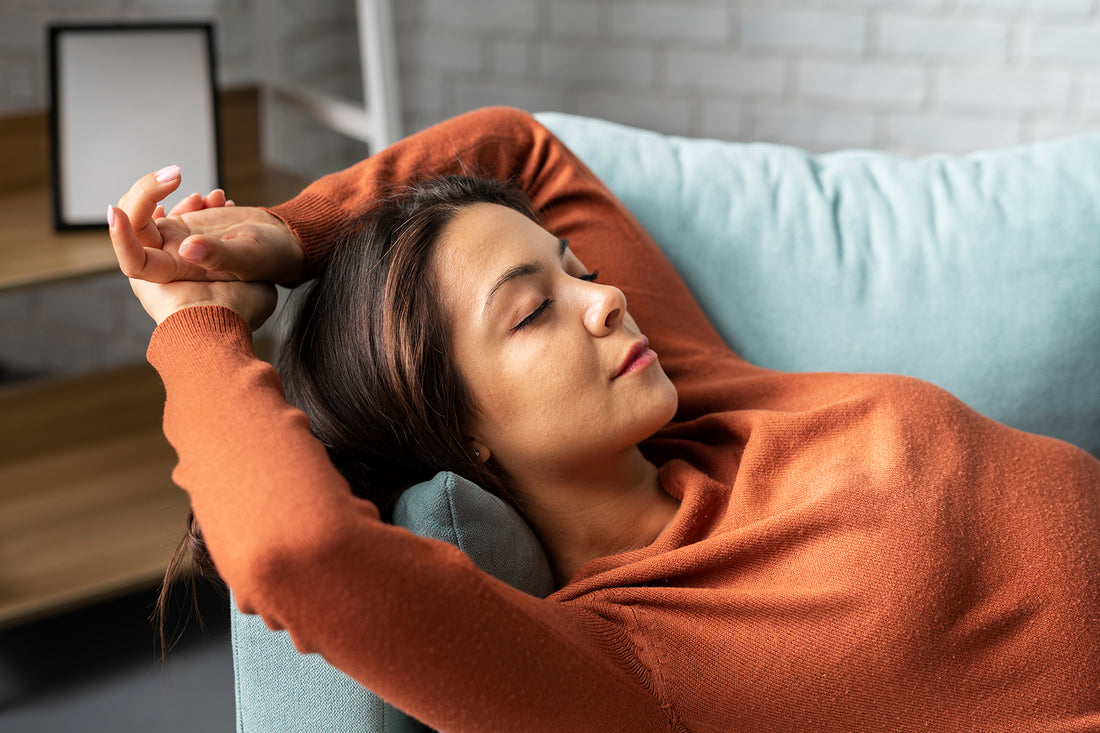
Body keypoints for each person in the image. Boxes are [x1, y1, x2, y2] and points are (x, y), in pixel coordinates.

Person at [109, 107, 1100, 732]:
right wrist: (199, 324)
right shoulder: (619, 665)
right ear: (459, 428)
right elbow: (296, 553)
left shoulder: (699, 395)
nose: (606, 298)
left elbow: (519, 148)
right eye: (532, 311)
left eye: (576, 268)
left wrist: (289, 232)